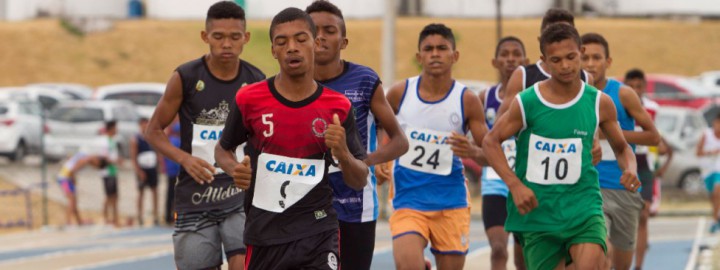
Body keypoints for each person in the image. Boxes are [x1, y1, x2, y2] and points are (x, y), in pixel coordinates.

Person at [215, 7, 369, 270]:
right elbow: (223, 149)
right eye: (282, 41)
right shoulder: (249, 99)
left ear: (315, 43)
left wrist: (343, 153)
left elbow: (359, 178)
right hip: (264, 233)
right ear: (274, 50)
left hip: (318, 230)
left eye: (300, 39)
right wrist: (234, 169)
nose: (292, 47)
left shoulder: (338, 106)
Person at [483, 23, 640, 270]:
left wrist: (629, 168)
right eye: (556, 60)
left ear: (581, 51)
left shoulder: (599, 102)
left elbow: (622, 148)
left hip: (583, 207)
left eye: (571, 57)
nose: (565, 66)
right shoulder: (527, 102)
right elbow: (490, 141)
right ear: (544, 61)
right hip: (539, 212)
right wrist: (514, 185)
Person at [144, 2, 265, 269]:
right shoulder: (186, 77)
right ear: (205, 36)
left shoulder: (256, 81)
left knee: (243, 263)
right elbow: (152, 130)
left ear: (245, 38)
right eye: (218, 36)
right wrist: (184, 159)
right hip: (195, 196)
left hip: (239, 195)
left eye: (234, 37)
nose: (226, 44)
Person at [305, 1, 409, 269]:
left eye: (329, 30)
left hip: (355, 205)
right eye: (313, 30)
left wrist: (366, 161)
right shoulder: (291, 81)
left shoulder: (364, 80)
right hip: (304, 203)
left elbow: (400, 141)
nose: (320, 36)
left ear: (344, 41)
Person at [385, 23, 488, 270]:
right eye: (428, 49)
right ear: (419, 56)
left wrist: (473, 151)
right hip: (408, 199)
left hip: (451, 202)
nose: (435, 54)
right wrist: (381, 157)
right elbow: (380, 124)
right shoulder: (400, 93)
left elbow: (490, 153)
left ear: (455, 55)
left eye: (442, 48)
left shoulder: (467, 100)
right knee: (407, 264)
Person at [580, 33, 660, 270]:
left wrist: (612, 134)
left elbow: (653, 136)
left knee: (622, 263)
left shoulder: (623, 94)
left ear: (608, 62)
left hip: (623, 186)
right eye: (585, 57)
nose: (591, 63)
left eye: (597, 57)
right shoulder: (573, 95)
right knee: (599, 252)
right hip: (590, 187)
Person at [478, 36, 528, 270]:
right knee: (498, 249)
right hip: (494, 184)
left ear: (526, 61)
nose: (511, 59)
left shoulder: (534, 98)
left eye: (516, 54)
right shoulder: (484, 97)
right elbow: (477, 140)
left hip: (526, 183)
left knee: (524, 258)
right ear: (494, 61)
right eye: (505, 54)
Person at [496, 8, 591, 116]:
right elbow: (502, 123)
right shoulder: (523, 76)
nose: (559, 38)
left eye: (565, 33)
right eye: (552, 34)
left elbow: (592, 122)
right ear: (540, 40)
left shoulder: (586, 78)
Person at [624, 68, 674, 270]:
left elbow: (658, 138)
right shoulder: (616, 105)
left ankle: (639, 266)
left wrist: (660, 147)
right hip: (624, 160)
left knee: (643, 216)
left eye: (639, 86)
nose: (635, 90)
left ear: (644, 87)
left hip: (645, 162)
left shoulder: (653, 109)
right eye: (631, 86)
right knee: (623, 217)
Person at [57, 153, 108, 226]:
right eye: (96, 166)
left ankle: (78, 221)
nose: (93, 167)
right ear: (97, 161)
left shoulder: (85, 155)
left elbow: (71, 159)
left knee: (74, 200)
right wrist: (74, 180)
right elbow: (72, 170)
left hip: (65, 178)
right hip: (65, 179)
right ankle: (68, 221)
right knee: (72, 201)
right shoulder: (85, 160)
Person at [130, 117, 161, 226]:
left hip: (152, 167)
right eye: (143, 124)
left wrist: (159, 165)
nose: (145, 126)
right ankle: (140, 216)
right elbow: (133, 157)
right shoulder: (136, 139)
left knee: (155, 191)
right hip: (142, 168)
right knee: (141, 192)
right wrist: (139, 171)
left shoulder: (152, 138)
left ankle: (155, 215)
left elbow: (157, 151)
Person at [697, 113, 720, 233]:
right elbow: (698, 152)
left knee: (717, 191)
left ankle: (715, 220)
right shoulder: (707, 134)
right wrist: (711, 152)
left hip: (718, 169)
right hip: (707, 170)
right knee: (713, 196)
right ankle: (716, 215)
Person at [101, 120, 121, 227]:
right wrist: (115, 161)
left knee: (115, 196)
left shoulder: (113, 141)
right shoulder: (105, 142)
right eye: (115, 127)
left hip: (113, 171)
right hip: (107, 172)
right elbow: (104, 158)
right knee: (108, 196)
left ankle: (115, 218)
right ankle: (105, 218)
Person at [164, 122, 181, 225]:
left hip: (170, 171)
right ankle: (175, 216)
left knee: (169, 194)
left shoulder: (169, 141)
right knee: (177, 195)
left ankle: (167, 217)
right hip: (177, 171)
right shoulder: (178, 141)